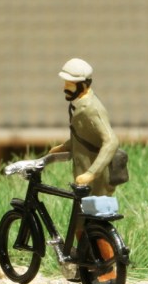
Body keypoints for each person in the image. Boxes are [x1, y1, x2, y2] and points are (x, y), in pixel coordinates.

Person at [49, 58, 118, 197]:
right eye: (65, 83)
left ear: (83, 85)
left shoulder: (92, 109)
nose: (65, 88)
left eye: (70, 85)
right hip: (82, 171)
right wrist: (65, 146)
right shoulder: (77, 104)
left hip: (97, 180)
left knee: (92, 214)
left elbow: (111, 141)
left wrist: (91, 174)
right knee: (80, 213)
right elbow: (85, 134)